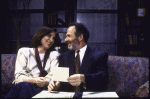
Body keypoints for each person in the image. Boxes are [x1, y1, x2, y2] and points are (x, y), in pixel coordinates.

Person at [48, 23, 108, 96]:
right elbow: (60, 80)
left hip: (89, 95)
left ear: (80, 37)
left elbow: (103, 77)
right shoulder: (63, 57)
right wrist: (56, 84)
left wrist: (84, 78)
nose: (65, 39)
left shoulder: (99, 55)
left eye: (68, 36)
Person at [4, 26, 60, 98]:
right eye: (49, 36)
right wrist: (34, 80)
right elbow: (19, 75)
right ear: (40, 35)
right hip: (24, 87)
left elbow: (54, 77)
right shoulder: (24, 51)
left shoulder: (54, 54)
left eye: (53, 38)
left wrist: (25, 79)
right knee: (25, 86)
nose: (51, 40)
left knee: (24, 85)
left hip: (43, 89)